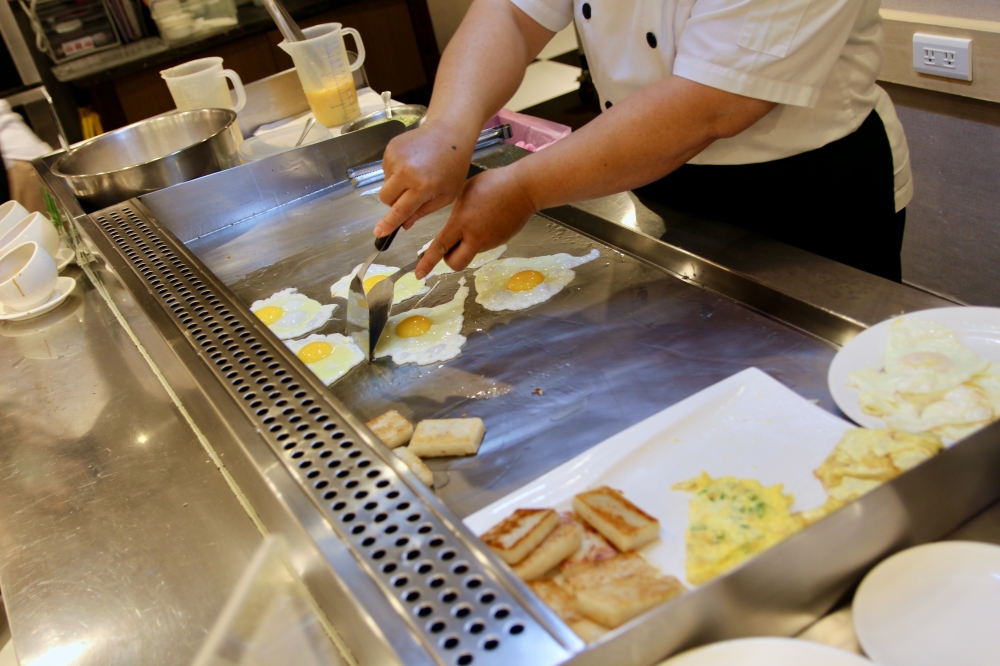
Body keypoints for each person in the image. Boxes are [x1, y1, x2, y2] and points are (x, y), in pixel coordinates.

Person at [373, 0, 911, 282]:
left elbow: (712, 105)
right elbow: (511, 14)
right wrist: (445, 127)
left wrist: (523, 189)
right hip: (658, 175)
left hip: (807, 198)